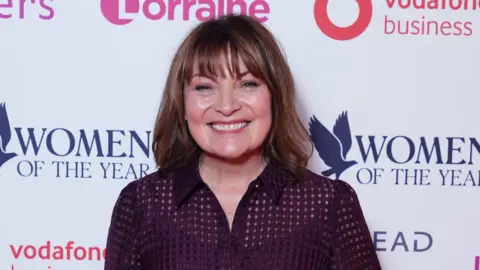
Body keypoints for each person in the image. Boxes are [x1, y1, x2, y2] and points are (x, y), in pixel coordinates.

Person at [104, 14, 382, 270]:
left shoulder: (327, 203)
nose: (226, 106)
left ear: (275, 96)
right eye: (204, 87)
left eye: (247, 84)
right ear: (182, 105)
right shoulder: (143, 203)